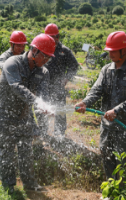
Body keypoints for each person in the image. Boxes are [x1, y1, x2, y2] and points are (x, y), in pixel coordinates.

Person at [75, 31, 126, 179]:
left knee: (124, 162)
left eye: (114, 51)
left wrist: (117, 111)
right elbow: (97, 90)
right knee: (107, 157)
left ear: (124, 50)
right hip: (107, 126)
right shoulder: (106, 70)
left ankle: (124, 193)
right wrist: (85, 102)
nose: (110, 54)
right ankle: (111, 191)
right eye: (109, 51)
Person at [0, 33, 55, 194]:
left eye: (48, 58)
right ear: (35, 51)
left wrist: (45, 107)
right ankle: (9, 187)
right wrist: (37, 102)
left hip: (24, 117)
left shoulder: (43, 72)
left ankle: (30, 185)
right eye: (44, 57)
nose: (46, 61)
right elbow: (16, 87)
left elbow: (43, 95)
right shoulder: (12, 63)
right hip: (5, 116)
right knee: (7, 154)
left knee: (26, 153)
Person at [44, 23, 79, 136]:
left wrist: (66, 78)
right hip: (44, 85)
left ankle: (60, 133)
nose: (52, 40)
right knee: (43, 110)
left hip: (58, 86)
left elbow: (74, 66)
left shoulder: (64, 51)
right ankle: (43, 132)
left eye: (54, 37)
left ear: (58, 37)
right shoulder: (42, 49)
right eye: (50, 37)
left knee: (59, 110)